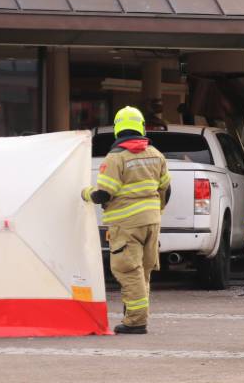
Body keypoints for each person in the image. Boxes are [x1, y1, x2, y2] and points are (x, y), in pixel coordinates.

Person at [81, 106, 171, 334]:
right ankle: (134, 313)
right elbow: (166, 189)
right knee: (143, 271)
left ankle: (136, 321)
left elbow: (104, 194)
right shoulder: (156, 154)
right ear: (140, 127)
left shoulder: (116, 157)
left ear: (117, 129)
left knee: (129, 270)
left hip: (126, 224)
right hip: (152, 221)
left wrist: (85, 193)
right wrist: (156, 212)